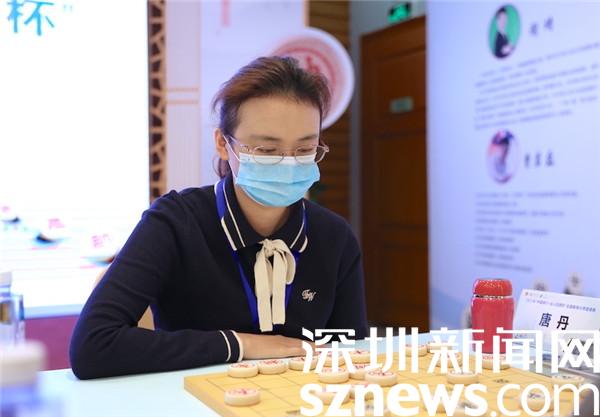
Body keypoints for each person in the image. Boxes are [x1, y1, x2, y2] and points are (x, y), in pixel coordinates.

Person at [69, 56, 368, 379]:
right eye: (267, 151)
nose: (288, 164)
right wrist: (242, 345)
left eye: (304, 150)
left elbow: (352, 351)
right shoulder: (175, 223)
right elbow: (93, 346)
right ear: (223, 144)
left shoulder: (333, 236)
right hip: (192, 397)